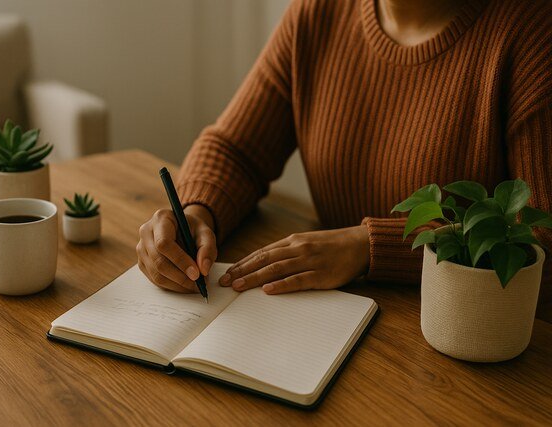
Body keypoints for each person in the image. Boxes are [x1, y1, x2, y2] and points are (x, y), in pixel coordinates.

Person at [136, 0, 551, 317]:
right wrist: (196, 213)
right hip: (326, 317)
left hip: (461, 340)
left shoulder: (532, 34)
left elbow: (543, 241)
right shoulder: (319, 11)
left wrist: (369, 249)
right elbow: (236, 149)